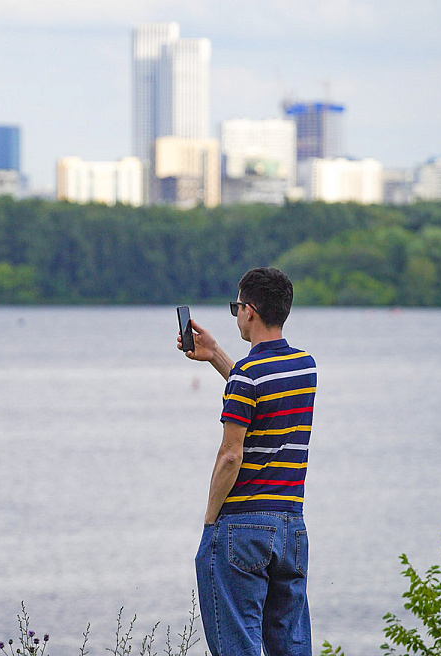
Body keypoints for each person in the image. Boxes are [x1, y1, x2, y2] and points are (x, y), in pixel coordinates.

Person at [177, 267, 316, 656]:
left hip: (242, 529)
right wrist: (216, 355)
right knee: (290, 647)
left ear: (249, 311)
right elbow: (261, 394)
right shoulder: (306, 367)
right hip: (291, 528)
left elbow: (231, 454)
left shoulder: (247, 378)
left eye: (236, 305)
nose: (236, 312)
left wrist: (209, 521)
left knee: (237, 647)